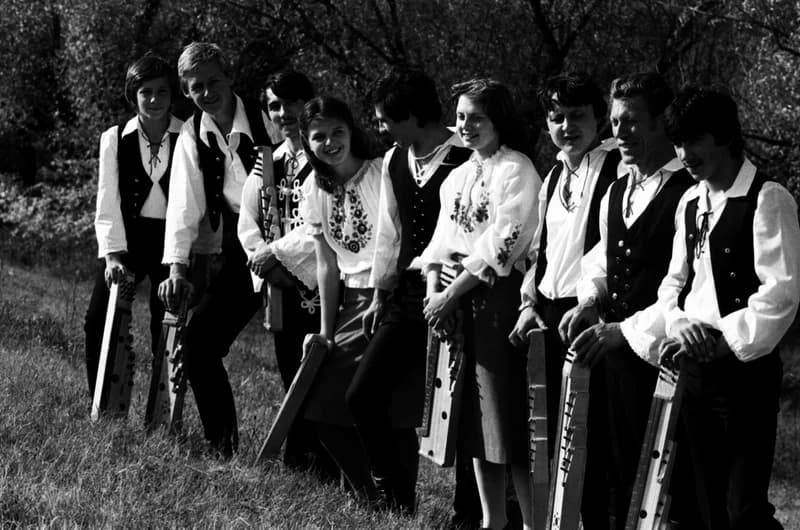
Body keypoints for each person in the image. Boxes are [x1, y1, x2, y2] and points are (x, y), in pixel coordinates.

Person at [652, 87, 799, 530]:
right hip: (693, 374)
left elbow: (781, 293)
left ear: (726, 137)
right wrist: (679, 326)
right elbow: (673, 284)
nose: (684, 153)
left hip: (745, 377)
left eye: (694, 141)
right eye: (678, 143)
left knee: (744, 512)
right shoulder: (691, 202)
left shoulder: (768, 199)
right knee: (702, 506)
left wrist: (723, 344)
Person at [558, 72, 694, 527]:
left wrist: (625, 332)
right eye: (615, 122)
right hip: (608, 356)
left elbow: (687, 286)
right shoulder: (616, 189)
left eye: (633, 121)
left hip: (659, 360)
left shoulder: (687, 195)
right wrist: (589, 299)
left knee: (655, 486)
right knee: (602, 475)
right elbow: (601, 256)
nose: (620, 132)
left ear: (662, 124)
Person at [342, 68, 474, 515]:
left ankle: (469, 513)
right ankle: (393, 498)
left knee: (466, 412)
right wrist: (380, 295)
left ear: (413, 116)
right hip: (407, 297)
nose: (379, 128)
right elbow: (389, 233)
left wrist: (457, 294)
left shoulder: (468, 156)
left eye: (384, 119)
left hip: (462, 297)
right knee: (362, 394)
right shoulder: (397, 159)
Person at [420, 78, 541, 530]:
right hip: (457, 307)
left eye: (477, 117)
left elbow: (502, 246)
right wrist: (436, 296)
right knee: (473, 421)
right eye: (461, 116)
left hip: (497, 303)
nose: (466, 125)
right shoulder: (457, 176)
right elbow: (439, 245)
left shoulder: (518, 170)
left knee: (506, 420)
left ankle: (532, 523)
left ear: (498, 120)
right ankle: (492, 522)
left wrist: (451, 294)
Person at [508, 71, 619, 529]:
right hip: (551, 314)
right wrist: (528, 302)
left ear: (599, 120)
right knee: (551, 435)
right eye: (557, 117)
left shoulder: (617, 169)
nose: (567, 126)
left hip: (593, 313)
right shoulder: (554, 175)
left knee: (591, 440)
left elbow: (614, 251)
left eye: (577, 116)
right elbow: (542, 250)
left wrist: (594, 300)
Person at [158, 42, 280, 457]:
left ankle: (311, 462)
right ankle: (222, 448)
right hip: (242, 252)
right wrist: (176, 267)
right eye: (195, 88)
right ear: (185, 92)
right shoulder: (192, 134)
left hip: (294, 251)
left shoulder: (269, 117)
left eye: (212, 82)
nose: (206, 93)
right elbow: (183, 203)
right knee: (197, 345)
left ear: (228, 76)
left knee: (296, 360)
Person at [298, 96, 390, 501]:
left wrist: (382, 293)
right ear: (306, 141)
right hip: (350, 302)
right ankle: (363, 491)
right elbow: (326, 266)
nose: (330, 142)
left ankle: (386, 490)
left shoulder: (380, 173)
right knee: (318, 407)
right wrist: (324, 332)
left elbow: (396, 241)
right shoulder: (312, 189)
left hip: (388, 294)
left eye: (338, 132)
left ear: (352, 130)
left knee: (368, 402)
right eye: (319, 136)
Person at [237, 70, 327, 471]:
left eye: (290, 103)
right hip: (280, 287)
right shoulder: (267, 162)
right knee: (290, 371)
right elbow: (248, 221)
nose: (283, 112)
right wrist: (263, 260)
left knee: (321, 376)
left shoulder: (325, 155)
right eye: (274, 105)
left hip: (321, 283)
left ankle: (326, 464)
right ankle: (298, 462)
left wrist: (278, 255)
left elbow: (323, 223)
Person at [84, 53, 182, 399]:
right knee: (99, 319)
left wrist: (180, 261)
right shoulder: (114, 138)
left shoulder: (187, 136)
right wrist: (112, 256)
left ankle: (162, 414)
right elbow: (106, 199)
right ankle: (102, 402)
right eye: (146, 93)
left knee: (166, 326)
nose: (154, 100)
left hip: (171, 243)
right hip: (127, 241)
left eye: (162, 92)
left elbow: (191, 204)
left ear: (173, 95)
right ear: (133, 95)